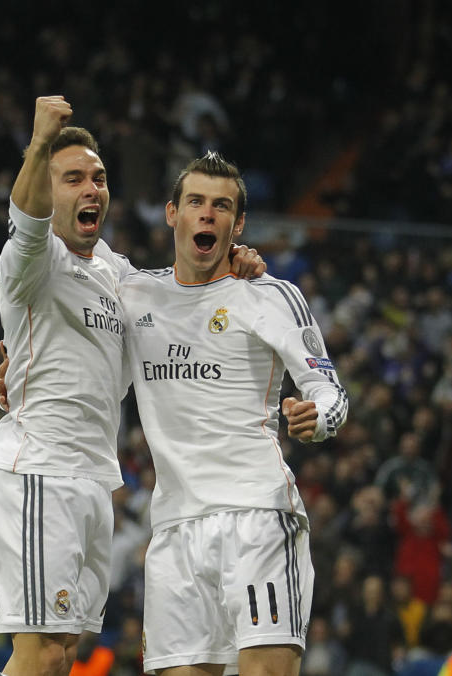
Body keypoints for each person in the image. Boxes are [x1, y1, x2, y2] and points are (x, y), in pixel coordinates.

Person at [0, 96, 264, 676]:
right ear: (47, 188)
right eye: (73, 179)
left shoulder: (114, 271)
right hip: (39, 470)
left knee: (62, 654)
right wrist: (38, 145)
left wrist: (236, 264)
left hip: (91, 479)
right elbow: (25, 221)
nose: (91, 189)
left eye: (99, 178)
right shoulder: (34, 259)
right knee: (36, 653)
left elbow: (174, 295)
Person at [118, 152, 348, 675]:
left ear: (237, 224)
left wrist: (319, 418)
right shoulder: (133, 295)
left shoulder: (268, 295)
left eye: (221, 206)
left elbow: (329, 388)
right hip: (175, 529)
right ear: (172, 213)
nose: (207, 214)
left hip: (258, 518)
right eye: (196, 202)